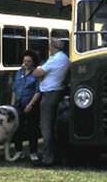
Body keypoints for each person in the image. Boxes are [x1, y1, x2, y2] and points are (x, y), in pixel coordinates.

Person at [33, 38, 70, 166]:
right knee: (53, 127)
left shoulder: (55, 59)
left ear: (52, 47)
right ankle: (56, 155)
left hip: (50, 94)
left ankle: (47, 158)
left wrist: (38, 67)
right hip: (57, 91)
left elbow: (37, 73)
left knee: (46, 127)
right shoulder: (64, 58)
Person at [11, 50, 41, 162]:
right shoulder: (19, 72)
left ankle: (33, 152)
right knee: (17, 128)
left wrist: (31, 104)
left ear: (33, 63)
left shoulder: (36, 74)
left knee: (32, 129)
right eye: (24, 61)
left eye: (29, 61)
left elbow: (38, 91)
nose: (26, 63)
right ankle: (19, 151)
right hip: (18, 105)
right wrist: (12, 104)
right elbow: (14, 89)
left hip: (30, 105)